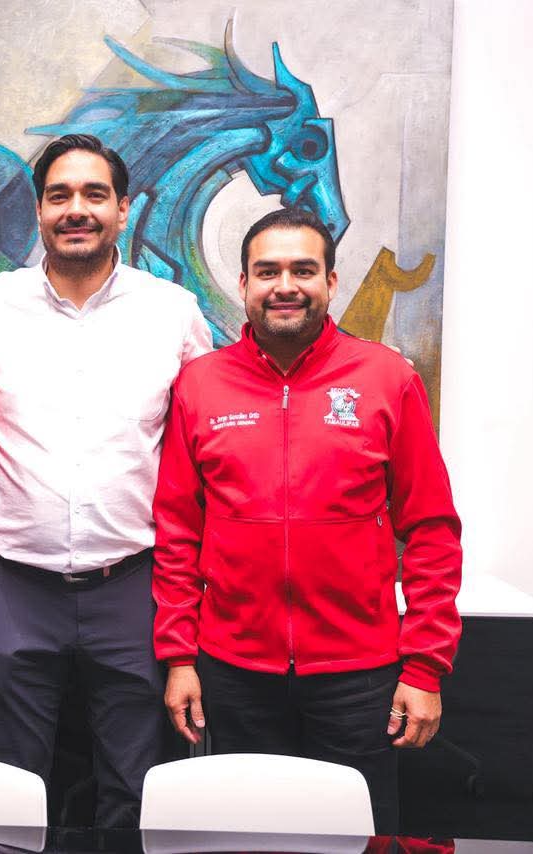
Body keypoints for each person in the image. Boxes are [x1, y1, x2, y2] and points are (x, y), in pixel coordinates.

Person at [0, 134, 213, 827]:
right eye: (59, 195)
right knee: (6, 791)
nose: (76, 209)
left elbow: (204, 437)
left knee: (137, 790)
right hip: (14, 587)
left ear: (124, 208)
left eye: (94, 194)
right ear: (39, 209)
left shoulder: (173, 311)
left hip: (134, 589)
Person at [153, 207, 462, 833]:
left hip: (359, 674)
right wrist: (180, 657)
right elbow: (177, 534)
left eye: (303, 270)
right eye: (268, 271)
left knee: (357, 837)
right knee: (246, 839)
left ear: (331, 281)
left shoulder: (387, 378)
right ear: (244, 283)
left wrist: (426, 666)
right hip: (234, 671)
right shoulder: (199, 385)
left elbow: (432, 530)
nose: (285, 286)